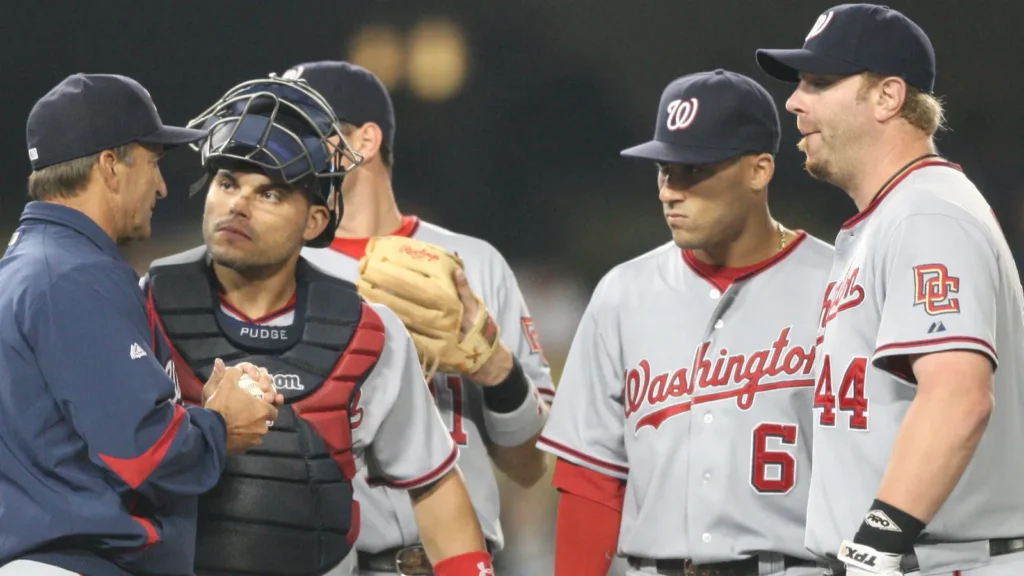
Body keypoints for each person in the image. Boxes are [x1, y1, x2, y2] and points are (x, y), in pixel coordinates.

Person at [143, 74, 495, 576]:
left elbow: (434, 487)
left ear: (313, 221)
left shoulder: (369, 331)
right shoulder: (143, 305)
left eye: (269, 194)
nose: (237, 205)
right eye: (227, 183)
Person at [756, 4, 1024, 575]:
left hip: (941, 558)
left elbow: (959, 397)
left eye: (820, 82)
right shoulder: (894, 216)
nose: (794, 102)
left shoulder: (926, 214)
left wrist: (876, 542)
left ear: (888, 97)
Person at [536, 69, 835, 576]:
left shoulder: (837, 285)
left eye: (693, 170)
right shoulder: (623, 293)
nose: (670, 191)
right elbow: (591, 479)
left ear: (759, 170)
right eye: (664, 170)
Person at [0, 73, 280, 576]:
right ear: (111, 166)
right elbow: (144, 451)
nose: (162, 185)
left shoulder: (29, 266)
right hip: (74, 563)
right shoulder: (74, 276)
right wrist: (221, 425)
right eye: (153, 162)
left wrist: (200, 409)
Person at [282, 61, 555, 575]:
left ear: (364, 141)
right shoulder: (280, 270)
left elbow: (527, 467)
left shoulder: (474, 263)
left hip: (458, 561)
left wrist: (493, 366)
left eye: (306, 131)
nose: (287, 149)